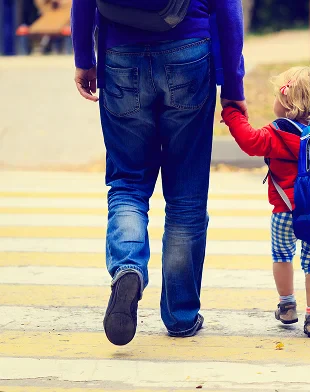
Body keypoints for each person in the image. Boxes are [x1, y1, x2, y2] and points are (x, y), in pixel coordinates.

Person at [71, 0, 246, 345]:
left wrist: (84, 59)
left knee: (128, 183)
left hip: (120, 54)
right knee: (186, 196)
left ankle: (128, 268)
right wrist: (233, 86)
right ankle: (180, 316)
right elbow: (228, 9)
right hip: (189, 52)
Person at [222, 66, 310, 338]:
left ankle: (287, 305)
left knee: (282, 256)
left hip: (284, 213)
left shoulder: (278, 134)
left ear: (287, 104)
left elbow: (249, 141)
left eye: (277, 96)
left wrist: (232, 114)